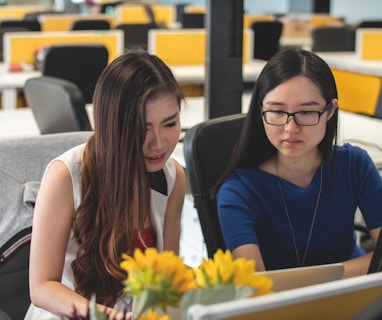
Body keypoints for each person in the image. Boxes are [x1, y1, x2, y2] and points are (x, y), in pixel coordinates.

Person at [25, 49, 186, 319]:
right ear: (113, 124)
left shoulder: (172, 179)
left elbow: (166, 278)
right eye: (142, 128)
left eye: (169, 124)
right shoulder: (65, 176)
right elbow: (41, 287)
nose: (158, 143)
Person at [216, 48, 382, 279]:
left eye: (306, 112)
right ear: (260, 110)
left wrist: (316, 281)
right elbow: (255, 285)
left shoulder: (355, 165)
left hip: (353, 297)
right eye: (276, 111)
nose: (290, 128)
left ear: (330, 110)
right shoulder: (238, 191)